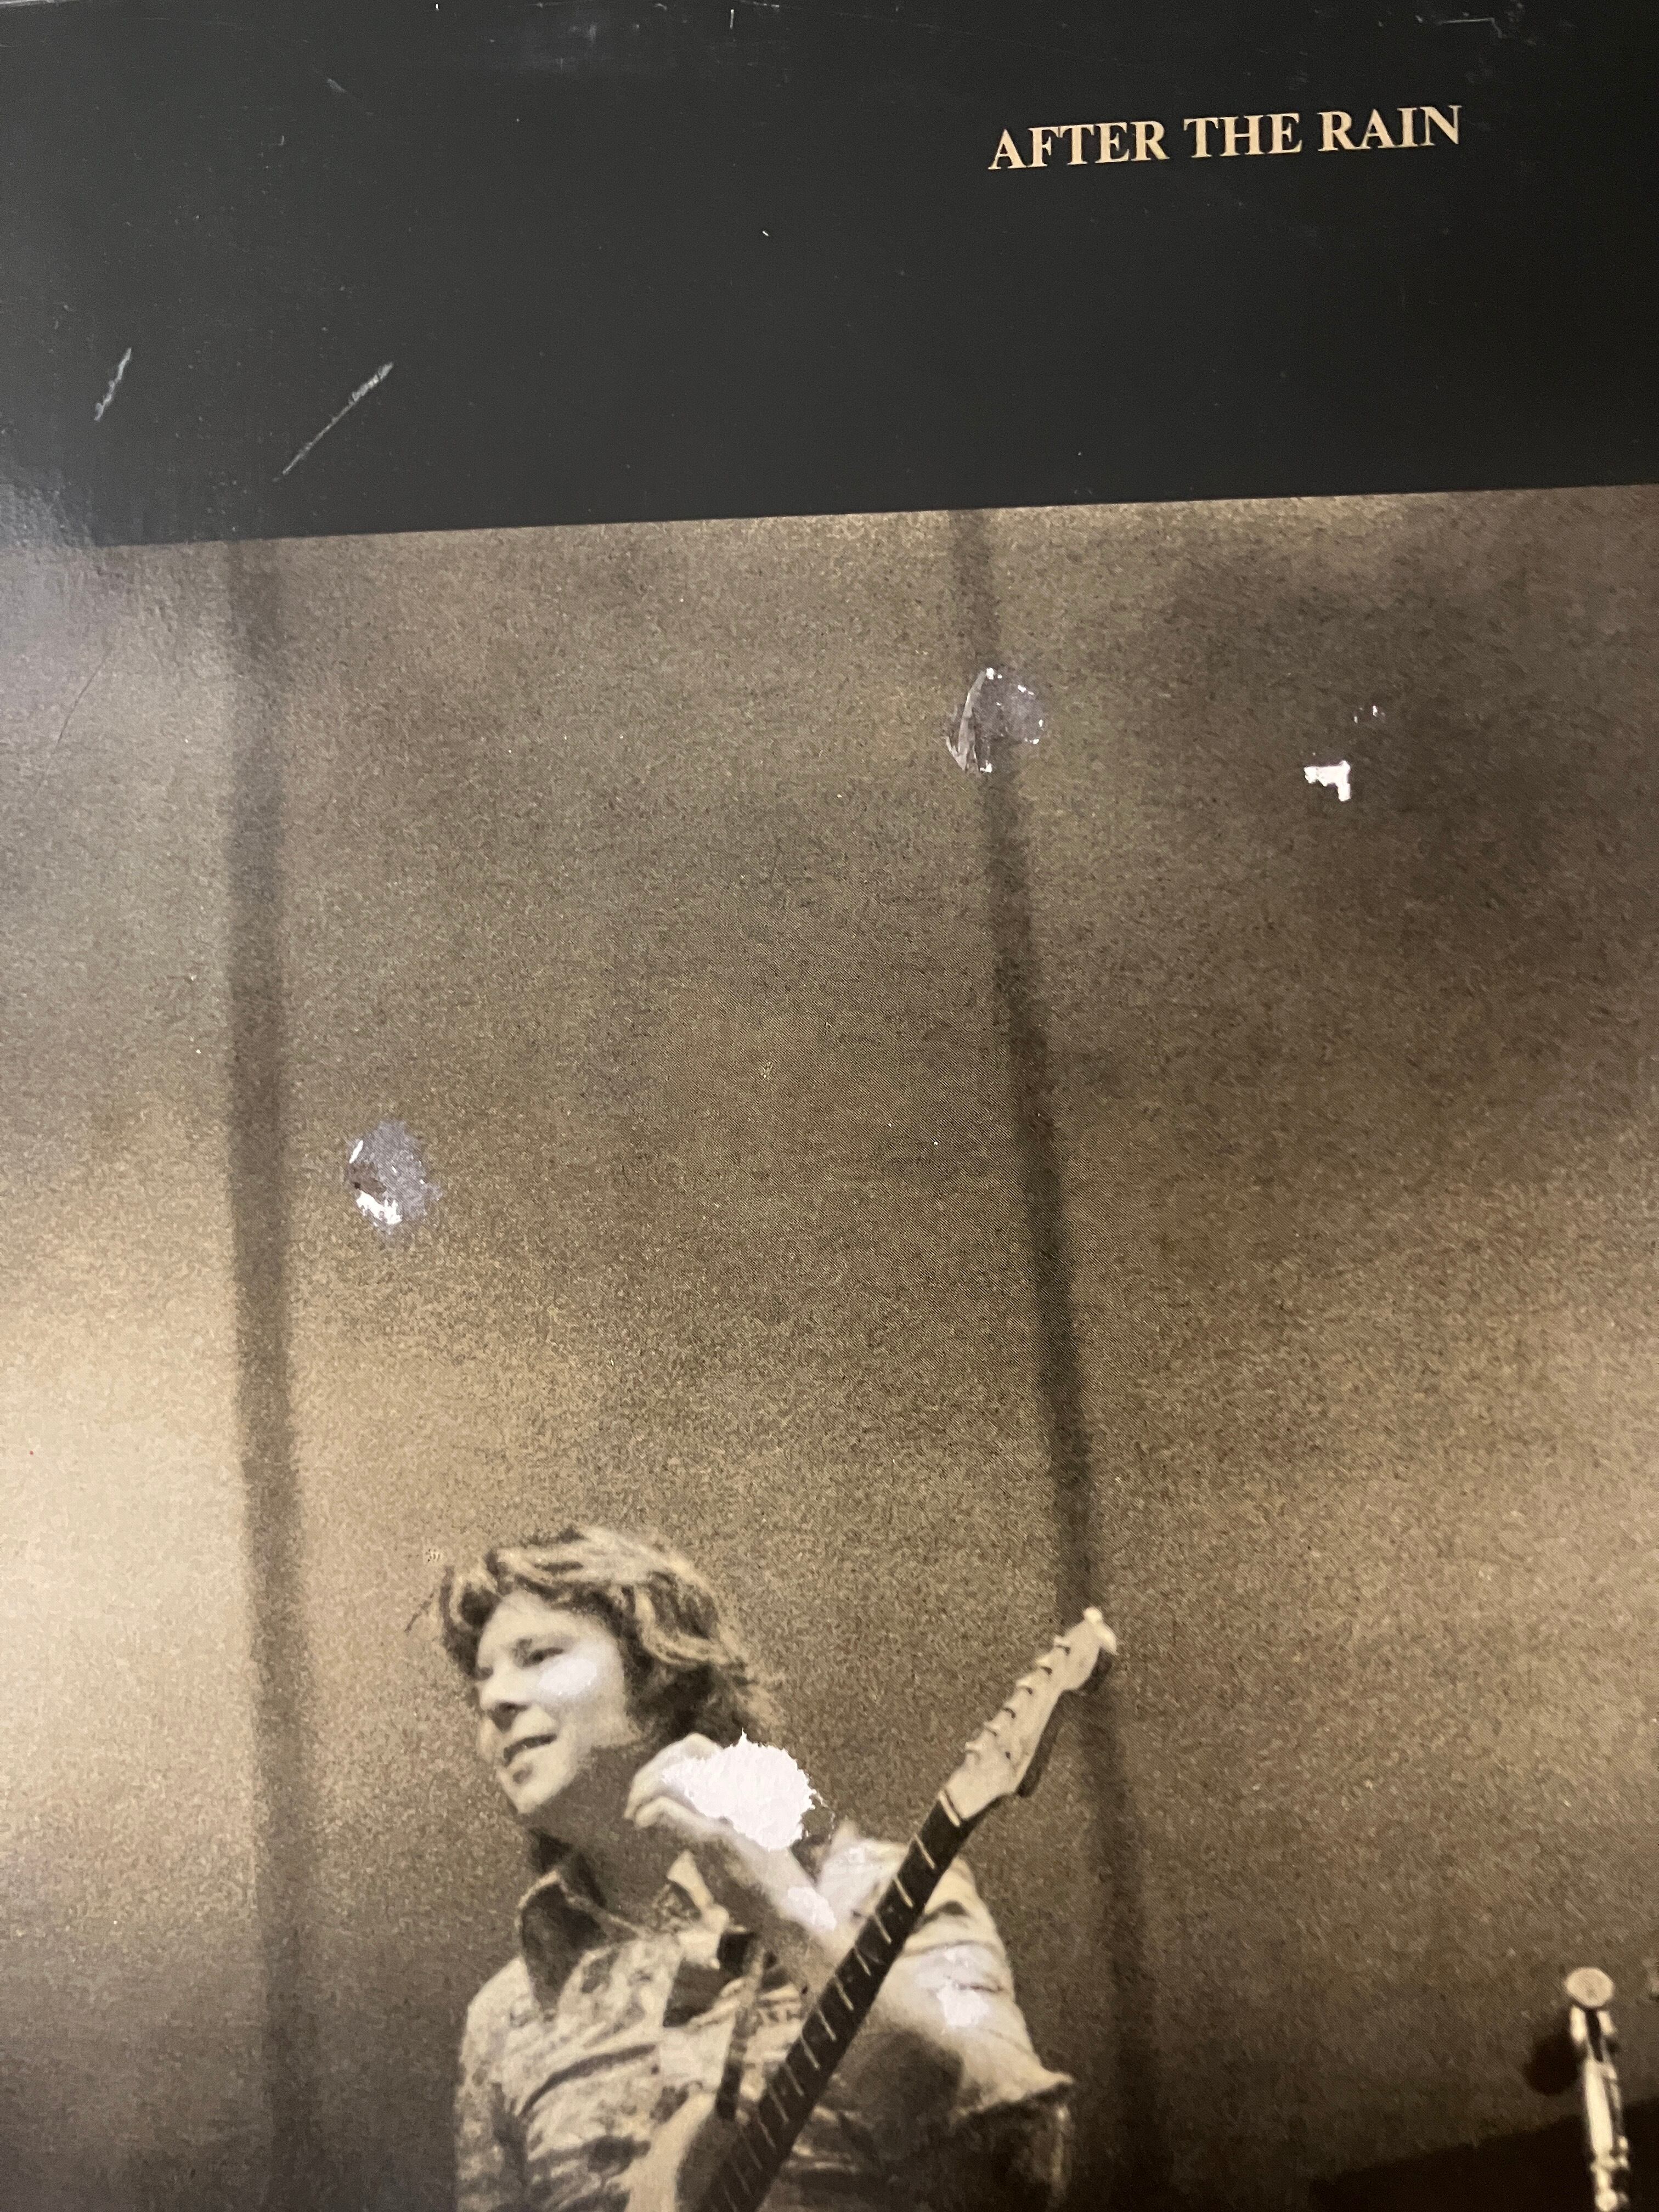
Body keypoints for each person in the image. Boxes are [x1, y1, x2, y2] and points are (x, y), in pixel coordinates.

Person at [441, 1525, 1074, 2212]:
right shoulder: (506, 2017)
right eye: (482, 1683)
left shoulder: (877, 1893)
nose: (495, 1701)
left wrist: (790, 1917)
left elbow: (1017, 2175)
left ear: (659, 1674)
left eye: (538, 1656)